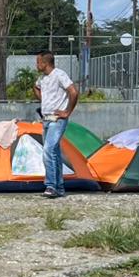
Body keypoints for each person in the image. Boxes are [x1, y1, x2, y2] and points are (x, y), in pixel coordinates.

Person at [33, 51, 78, 199]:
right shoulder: (43, 79)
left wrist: (67, 111)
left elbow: (73, 92)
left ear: (45, 63)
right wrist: (44, 99)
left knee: (48, 150)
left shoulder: (59, 75)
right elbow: (36, 87)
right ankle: (59, 187)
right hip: (46, 119)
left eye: (38, 62)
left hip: (57, 120)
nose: (37, 65)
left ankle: (51, 185)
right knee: (54, 153)